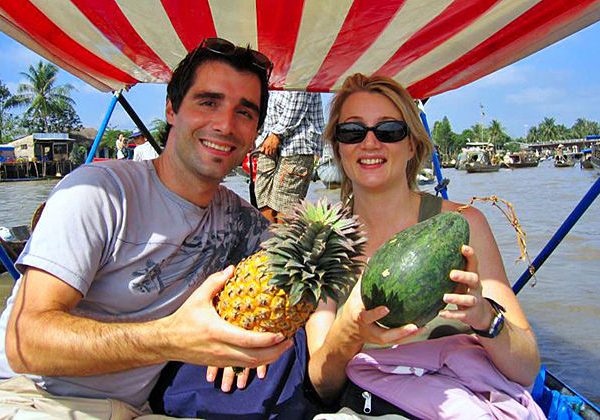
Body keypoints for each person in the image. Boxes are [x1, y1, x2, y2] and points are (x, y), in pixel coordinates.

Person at [0, 37, 295, 419]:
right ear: (172, 109)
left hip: (132, 409)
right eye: (208, 102)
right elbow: (26, 342)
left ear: (255, 130)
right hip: (32, 397)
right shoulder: (98, 192)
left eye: (245, 112)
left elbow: (307, 264)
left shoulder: (239, 221)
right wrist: (170, 339)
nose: (225, 125)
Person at [308, 74, 542, 418]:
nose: (369, 143)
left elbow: (526, 368)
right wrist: (348, 333)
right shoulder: (323, 241)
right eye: (352, 132)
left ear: (412, 144)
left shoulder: (466, 224)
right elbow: (322, 385)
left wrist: (483, 316)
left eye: (388, 130)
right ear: (339, 148)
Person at [255, 90, 324, 223]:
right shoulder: (274, 75)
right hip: (267, 140)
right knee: (263, 197)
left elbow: (297, 105)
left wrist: (276, 134)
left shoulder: (301, 73)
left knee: (286, 205)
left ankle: (283, 242)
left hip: (296, 145)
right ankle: (267, 241)